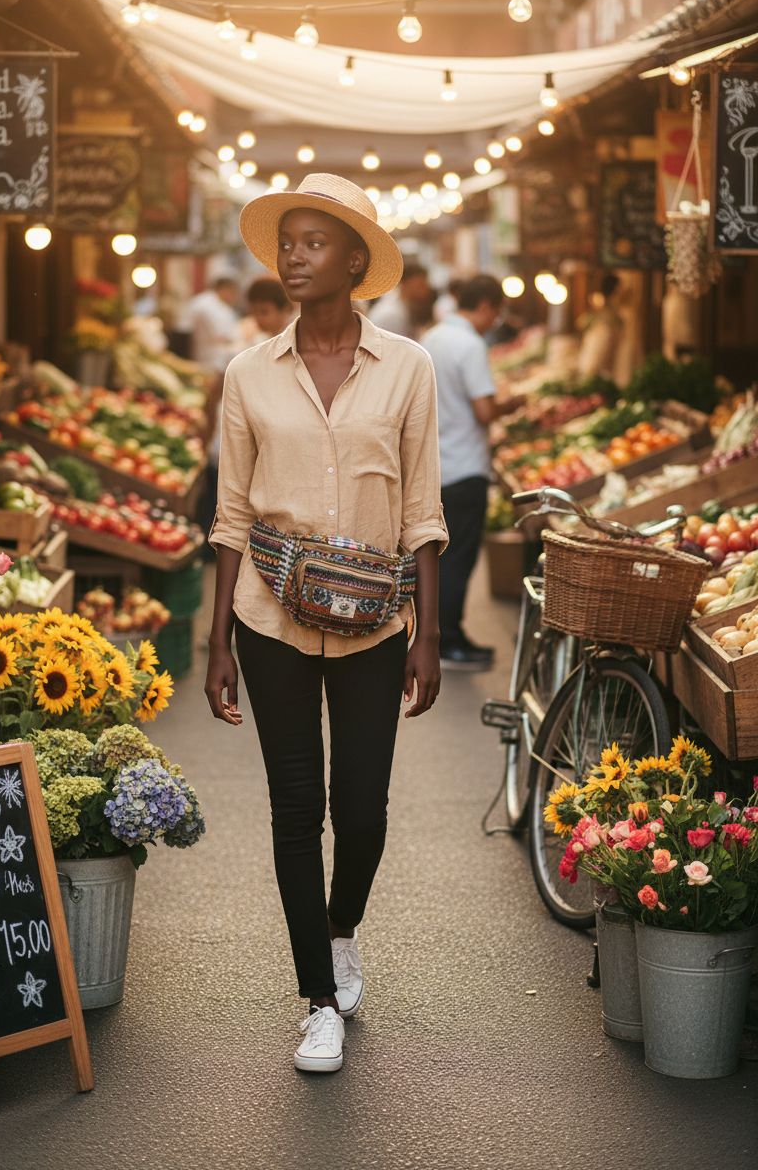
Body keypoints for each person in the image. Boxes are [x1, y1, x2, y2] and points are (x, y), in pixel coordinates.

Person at [205, 173, 448, 1075]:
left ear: (356, 260)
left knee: (365, 811)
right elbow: (231, 513)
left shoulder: (410, 368)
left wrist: (426, 631)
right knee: (295, 806)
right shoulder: (247, 374)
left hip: (378, 622)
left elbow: (423, 507)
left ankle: (341, 926)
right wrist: (217, 642)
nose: (293, 256)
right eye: (286, 243)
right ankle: (317, 998)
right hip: (268, 612)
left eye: (313, 243)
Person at [421, 275, 524, 669]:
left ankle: (440, 635)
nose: (494, 320)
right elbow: (484, 410)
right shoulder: (469, 344)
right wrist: (512, 404)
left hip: (435, 464)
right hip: (464, 466)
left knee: (438, 557)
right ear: (484, 306)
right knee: (458, 559)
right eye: (495, 312)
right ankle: (448, 641)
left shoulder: (433, 338)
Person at [186, 275, 242, 370]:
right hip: (210, 358)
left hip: (214, 355)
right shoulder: (206, 305)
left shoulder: (218, 304)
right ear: (225, 289)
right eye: (233, 293)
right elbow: (219, 335)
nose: (234, 297)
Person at [577, 273, 626, 381]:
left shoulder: (612, 315)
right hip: (598, 372)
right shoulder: (605, 318)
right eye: (621, 288)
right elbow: (594, 358)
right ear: (616, 289)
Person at [367, 261, 431, 339]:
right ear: (405, 284)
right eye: (420, 285)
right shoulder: (392, 313)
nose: (425, 290)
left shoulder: (401, 307)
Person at [237, 276, 295, 346]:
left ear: (285, 309)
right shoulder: (259, 340)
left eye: (264, 312)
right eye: (254, 312)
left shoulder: (297, 340)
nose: (258, 318)